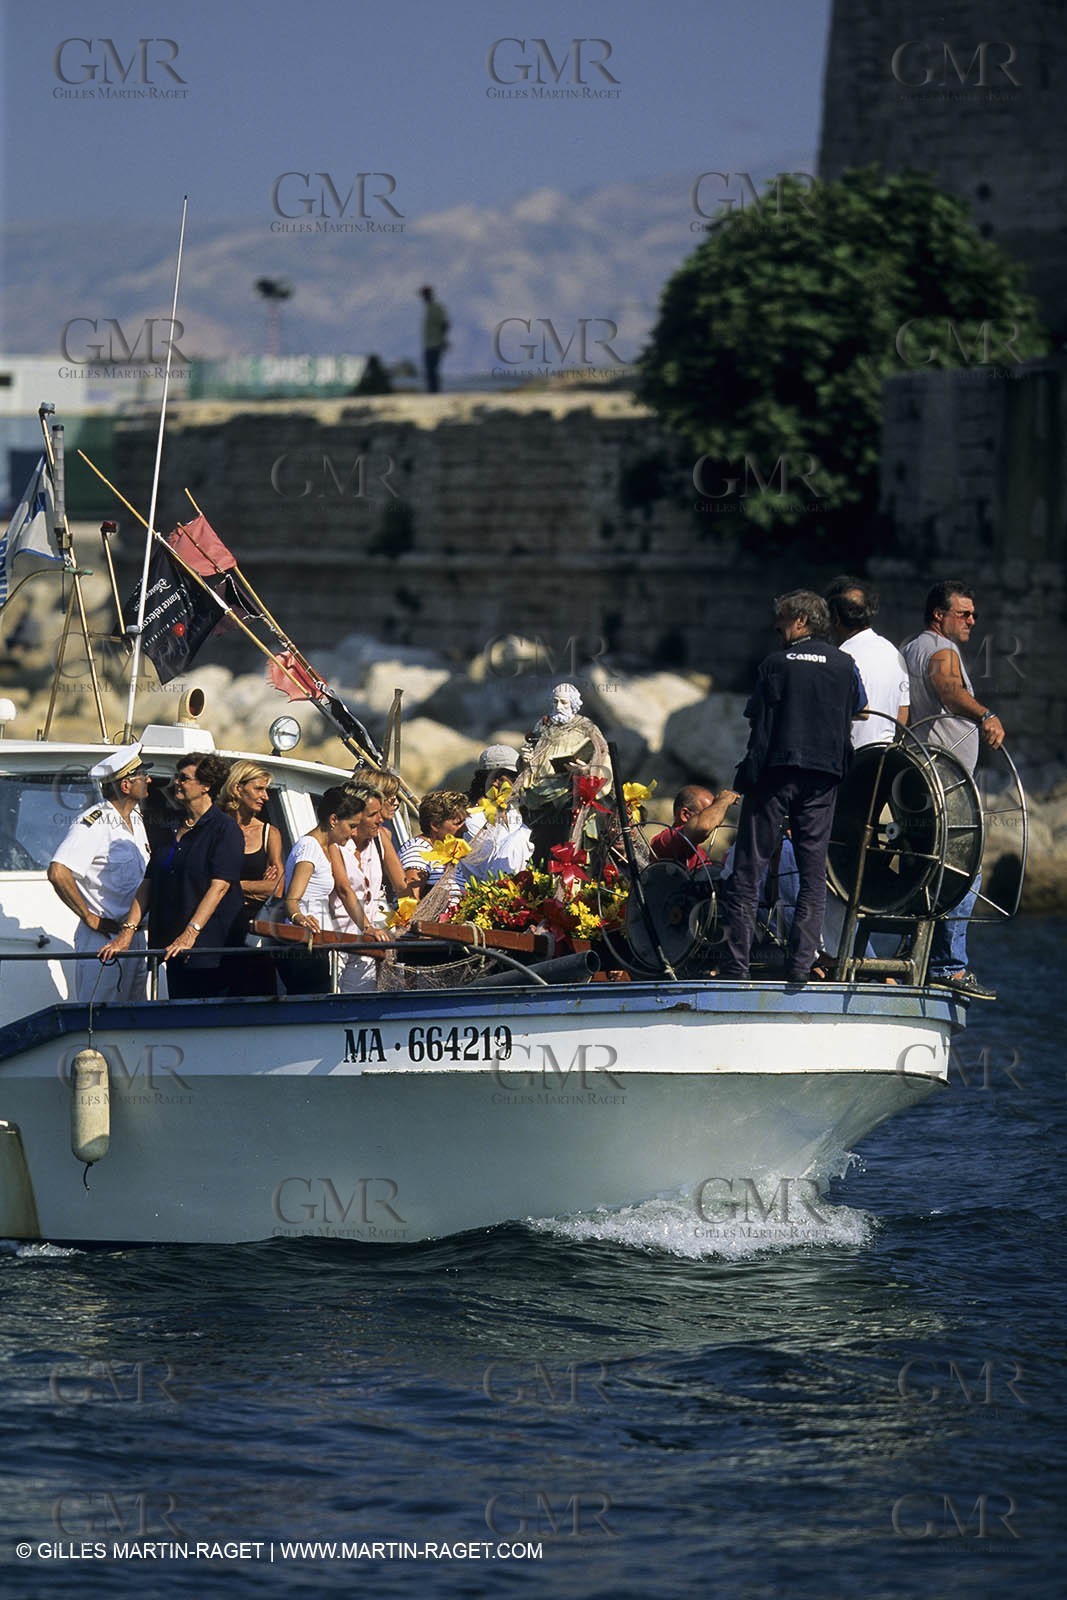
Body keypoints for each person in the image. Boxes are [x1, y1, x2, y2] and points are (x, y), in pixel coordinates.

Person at [718, 590, 866, 984]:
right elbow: (859, 709)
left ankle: (737, 967)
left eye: (781, 620)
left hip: (774, 775)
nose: (776, 628)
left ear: (800, 621)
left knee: (749, 872)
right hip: (823, 777)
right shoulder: (845, 664)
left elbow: (758, 723)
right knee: (813, 873)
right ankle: (801, 966)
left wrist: (747, 776)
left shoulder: (775, 664)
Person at [901, 580, 1004, 1000]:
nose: (972, 621)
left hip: (916, 774)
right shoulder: (941, 650)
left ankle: (914, 953)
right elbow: (948, 689)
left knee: (921, 865)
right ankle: (949, 966)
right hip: (945, 780)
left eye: (974, 613)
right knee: (965, 866)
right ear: (939, 616)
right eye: (964, 613)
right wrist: (986, 714)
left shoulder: (909, 648)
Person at [100, 754, 245, 1000]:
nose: (176, 782)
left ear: (206, 786)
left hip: (210, 948)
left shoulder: (224, 829)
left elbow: (219, 887)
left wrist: (190, 933)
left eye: (184, 778)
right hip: (171, 946)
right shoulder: (171, 829)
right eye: (177, 777)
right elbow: (149, 881)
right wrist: (127, 933)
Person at [48, 744, 153, 1002]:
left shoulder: (136, 820)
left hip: (135, 937)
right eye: (142, 774)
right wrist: (89, 917)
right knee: (99, 1019)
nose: (149, 779)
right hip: (104, 939)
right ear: (126, 785)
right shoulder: (95, 823)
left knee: (136, 1018)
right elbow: (58, 871)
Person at [282, 787, 387, 995]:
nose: (353, 833)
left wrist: (366, 927)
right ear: (333, 820)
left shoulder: (325, 847)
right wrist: (299, 917)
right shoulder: (310, 848)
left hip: (319, 941)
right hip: (306, 942)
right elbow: (292, 899)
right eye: (351, 826)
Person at [514, 683, 611, 864]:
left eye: (564, 703)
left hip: (569, 794)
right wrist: (525, 761)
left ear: (573, 704)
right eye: (556, 702)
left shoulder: (586, 728)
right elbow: (530, 758)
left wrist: (586, 770)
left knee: (564, 839)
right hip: (539, 794)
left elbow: (602, 755)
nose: (558, 707)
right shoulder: (543, 726)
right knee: (538, 843)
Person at [218, 760, 285, 996]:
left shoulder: (269, 833)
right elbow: (203, 882)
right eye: (259, 789)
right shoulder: (214, 828)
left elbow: (276, 889)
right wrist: (253, 888)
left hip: (253, 933)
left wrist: (228, 885)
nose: (265, 797)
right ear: (237, 788)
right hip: (216, 930)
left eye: (266, 790)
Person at [826, 576, 909, 747]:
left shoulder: (839, 658)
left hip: (848, 760)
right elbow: (902, 714)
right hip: (882, 758)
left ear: (835, 619)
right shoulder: (893, 653)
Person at [331, 782, 392, 993]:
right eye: (373, 814)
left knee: (361, 1005)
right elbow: (343, 889)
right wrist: (367, 927)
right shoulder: (336, 845)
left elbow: (402, 884)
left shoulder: (377, 843)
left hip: (366, 944)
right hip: (336, 940)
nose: (380, 819)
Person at [399, 790, 471, 907]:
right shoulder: (418, 850)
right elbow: (409, 900)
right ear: (435, 825)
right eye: (458, 823)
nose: (464, 829)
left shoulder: (446, 854)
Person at [650, 784, 740, 872]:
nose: (714, 822)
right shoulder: (667, 840)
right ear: (685, 815)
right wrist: (724, 800)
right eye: (706, 814)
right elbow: (703, 827)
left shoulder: (702, 857)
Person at [418, 285, 449, 393]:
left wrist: (442, 339)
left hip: (435, 344)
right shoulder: (429, 308)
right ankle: (432, 391)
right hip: (429, 344)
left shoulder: (436, 308)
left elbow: (445, 324)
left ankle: (434, 391)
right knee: (429, 369)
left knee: (432, 369)